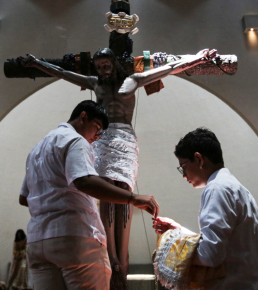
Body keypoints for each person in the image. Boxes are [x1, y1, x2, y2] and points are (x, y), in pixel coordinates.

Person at [20, 47, 217, 289]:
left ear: (114, 64)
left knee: (121, 189)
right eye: (99, 66)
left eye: (106, 65)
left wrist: (197, 58)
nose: (102, 70)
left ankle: (121, 261)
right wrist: (37, 63)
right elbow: (62, 72)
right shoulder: (94, 88)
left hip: (124, 139)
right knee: (103, 190)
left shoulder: (133, 81)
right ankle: (112, 256)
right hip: (101, 141)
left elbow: (169, 68)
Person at [19, 100, 159, 290]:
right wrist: (132, 198)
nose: (97, 137)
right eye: (97, 128)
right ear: (83, 117)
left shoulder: (36, 149)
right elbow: (84, 181)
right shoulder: (76, 141)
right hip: (75, 238)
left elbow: (24, 198)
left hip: (38, 242)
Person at [152, 128, 258, 290]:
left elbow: (210, 255)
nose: (184, 175)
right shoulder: (237, 188)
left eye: (183, 166)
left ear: (199, 159)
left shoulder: (216, 189)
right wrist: (179, 231)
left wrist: (172, 244)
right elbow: (221, 243)